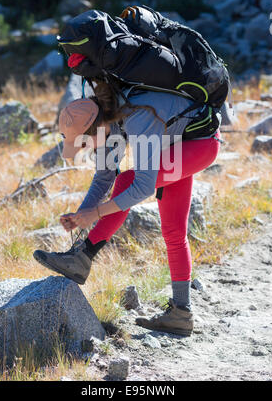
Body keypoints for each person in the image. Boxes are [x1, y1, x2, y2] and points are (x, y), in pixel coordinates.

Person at [33, 73, 222, 337]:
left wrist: (96, 213)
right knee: (174, 232)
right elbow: (103, 177)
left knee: (128, 180)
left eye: (86, 143)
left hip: (198, 145)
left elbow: (142, 186)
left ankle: (83, 257)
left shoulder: (136, 118)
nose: (88, 150)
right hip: (176, 143)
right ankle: (181, 313)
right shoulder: (111, 123)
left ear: (97, 127)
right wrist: (81, 214)